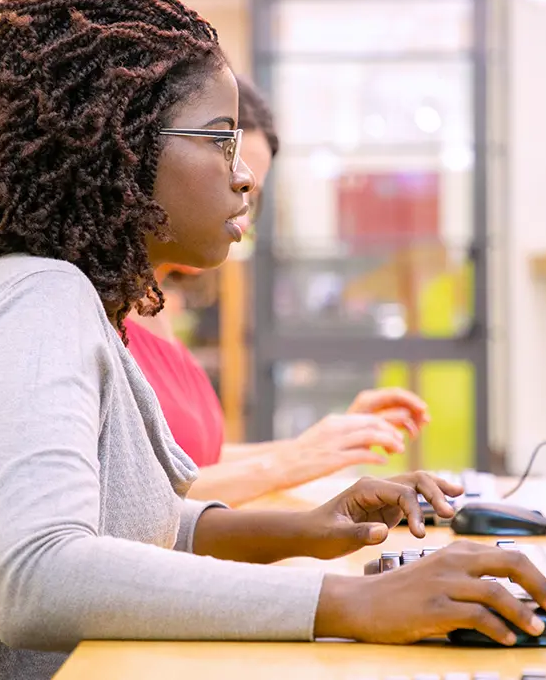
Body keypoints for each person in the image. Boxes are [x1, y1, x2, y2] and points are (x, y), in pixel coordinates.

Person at [0, 0, 546, 680]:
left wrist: (302, 531)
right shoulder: (38, 301)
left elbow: (124, 527)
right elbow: (37, 572)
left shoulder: (80, 307)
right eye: (221, 139)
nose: (244, 174)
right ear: (116, 147)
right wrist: (350, 601)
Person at [124, 75, 428, 505]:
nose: (243, 208)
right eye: (230, 171)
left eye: (253, 191)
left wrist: (323, 444)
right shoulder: (93, 312)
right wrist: (293, 460)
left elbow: (191, 464)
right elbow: (136, 500)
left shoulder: (153, 304)